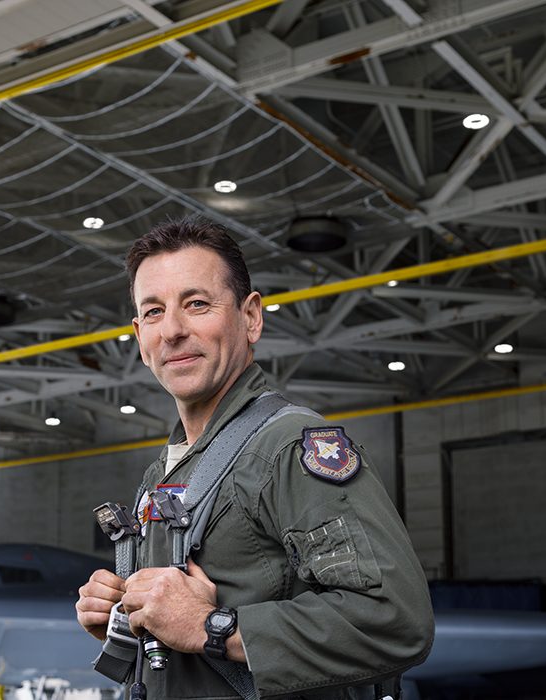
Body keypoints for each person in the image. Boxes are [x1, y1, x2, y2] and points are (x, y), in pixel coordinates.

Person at [75, 217, 433, 699]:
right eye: (154, 312)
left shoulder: (288, 448)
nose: (174, 330)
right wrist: (126, 615)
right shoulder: (166, 472)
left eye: (197, 304)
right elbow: (181, 629)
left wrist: (212, 626)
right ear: (140, 337)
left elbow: (395, 620)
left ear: (250, 318)